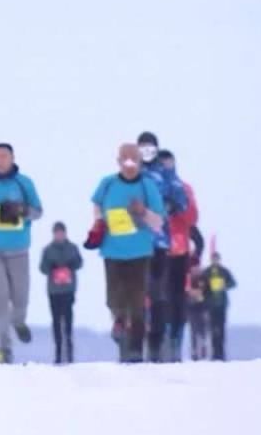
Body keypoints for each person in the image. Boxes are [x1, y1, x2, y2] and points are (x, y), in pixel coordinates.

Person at [87, 143, 165, 363]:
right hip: (112, 251)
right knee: (114, 297)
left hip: (139, 251)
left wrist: (143, 212)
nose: (129, 164)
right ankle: (119, 321)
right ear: (118, 161)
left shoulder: (147, 186)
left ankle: (136, 350)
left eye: (134, 159)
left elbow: (159, 222)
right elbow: (96, 206)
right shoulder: (107, 183)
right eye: (125, 159)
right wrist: (98, 222)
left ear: (140, 162)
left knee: (137, 301)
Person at [0, 143, 43, 363]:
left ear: (12, 158)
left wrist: (21, 211)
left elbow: (38, 211)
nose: (0, 161)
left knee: (20, 296)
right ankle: (5, 348)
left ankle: (19, 321)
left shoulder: (24, 183)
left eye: (4, 156)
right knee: (0, 299)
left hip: (19, 248)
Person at [137, 135, 189, 362]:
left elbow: (182, 201)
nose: (147, 151)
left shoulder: (164, 174)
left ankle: (157, 341)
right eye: (143, 147)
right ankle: (132, 339)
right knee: (134, 294)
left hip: (158, 243)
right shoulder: (131, 172)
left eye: (151, 148)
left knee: (158, 293)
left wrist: (170, 204)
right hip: (132, 243)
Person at [156, 150, 202, 362]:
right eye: (162, 162)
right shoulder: (154, 186)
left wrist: (178, 208)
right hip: (160, 249)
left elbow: (193, 217)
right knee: (161, 297)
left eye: (169, 162)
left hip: (180, 250)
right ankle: (163, 339)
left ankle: (177, 338)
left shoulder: (184, 188)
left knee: (178, 298)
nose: (166, 166)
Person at [39, 222, 83, 364]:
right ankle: (58, 350)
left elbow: (80, 263)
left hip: (68, 289)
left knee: (68, 318)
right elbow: (42, 268)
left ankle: (69, 349)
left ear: (65, 233)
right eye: (57, 233)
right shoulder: (48, 250)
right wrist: (51, 267)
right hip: (54, 290)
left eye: (61, 232)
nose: (59, 235)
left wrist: (71, 264)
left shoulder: (72, 248)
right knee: (56, 320)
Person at [202, 252, 237, 361]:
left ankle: (221, 353)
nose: (215, 261)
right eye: (213, 259)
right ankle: (214, 353)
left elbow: (233, 283)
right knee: (212, 329)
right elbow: (202, 286)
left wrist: (224, 285)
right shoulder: (206, 272)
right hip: (211, 304)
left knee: (221, 328)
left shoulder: (224, 271)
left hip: (222, 304)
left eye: (216, 259)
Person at [185, 264, 210, 360]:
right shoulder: (188, 280)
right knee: (193, 330)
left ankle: (203, 345)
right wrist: (191, 294)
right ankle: (194, 351)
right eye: (193, 268)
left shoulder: (204, 280)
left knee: (203, 329)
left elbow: (208, 293)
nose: (195, 270)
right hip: (191, 309)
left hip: (202, 308)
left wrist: (202, 296)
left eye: (197, 268)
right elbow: (185, 293)